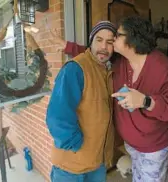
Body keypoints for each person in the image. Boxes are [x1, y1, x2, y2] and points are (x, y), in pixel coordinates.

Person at [53, 16, 168, 182]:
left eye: (117, 36)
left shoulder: (163, 68)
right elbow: (97, 52)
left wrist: (145, 101)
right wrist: (67, 46)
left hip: (154, 146)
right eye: (105, 38)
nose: (111, 41)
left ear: (132, 39)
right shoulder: (120, 61)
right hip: (131, 145)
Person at [46, 21, 117, 182]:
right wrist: (75, 144)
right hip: (71, 167)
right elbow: (57, 116)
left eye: (110, 42)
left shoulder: (107, 70)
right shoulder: (75, 68)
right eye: (99, 40)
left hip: (97, 163)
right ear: (91, 42)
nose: (104, 47)